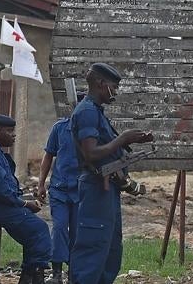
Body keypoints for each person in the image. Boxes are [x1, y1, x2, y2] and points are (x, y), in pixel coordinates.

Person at [70, 63, 154, 284]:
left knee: (110, 249)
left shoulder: (96, 111)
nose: (115, 92)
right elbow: (91, 153)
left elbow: (107, 149)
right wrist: (123, 138)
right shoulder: (87, 111)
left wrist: (133, 140)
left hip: (107, 190)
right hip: (96, 189)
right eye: (113, 87)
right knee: (93, 249)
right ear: (100, 84)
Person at [0, 115, 51, 284]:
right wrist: (25, 204)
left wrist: (23, 201)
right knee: (39, 230)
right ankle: (33, 277)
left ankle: (31, 275)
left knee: (32, 233)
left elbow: (5, 187)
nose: (14, 135)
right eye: (10, 131)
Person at [36, 92, 85, 283]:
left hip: (81, 190)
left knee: (77, 232)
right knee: (59, 228)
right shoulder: (60, 128)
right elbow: (48, 156)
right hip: (59, 189)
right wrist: (41, 184)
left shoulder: (91, 132)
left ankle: (73, 273)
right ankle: (56, 272)